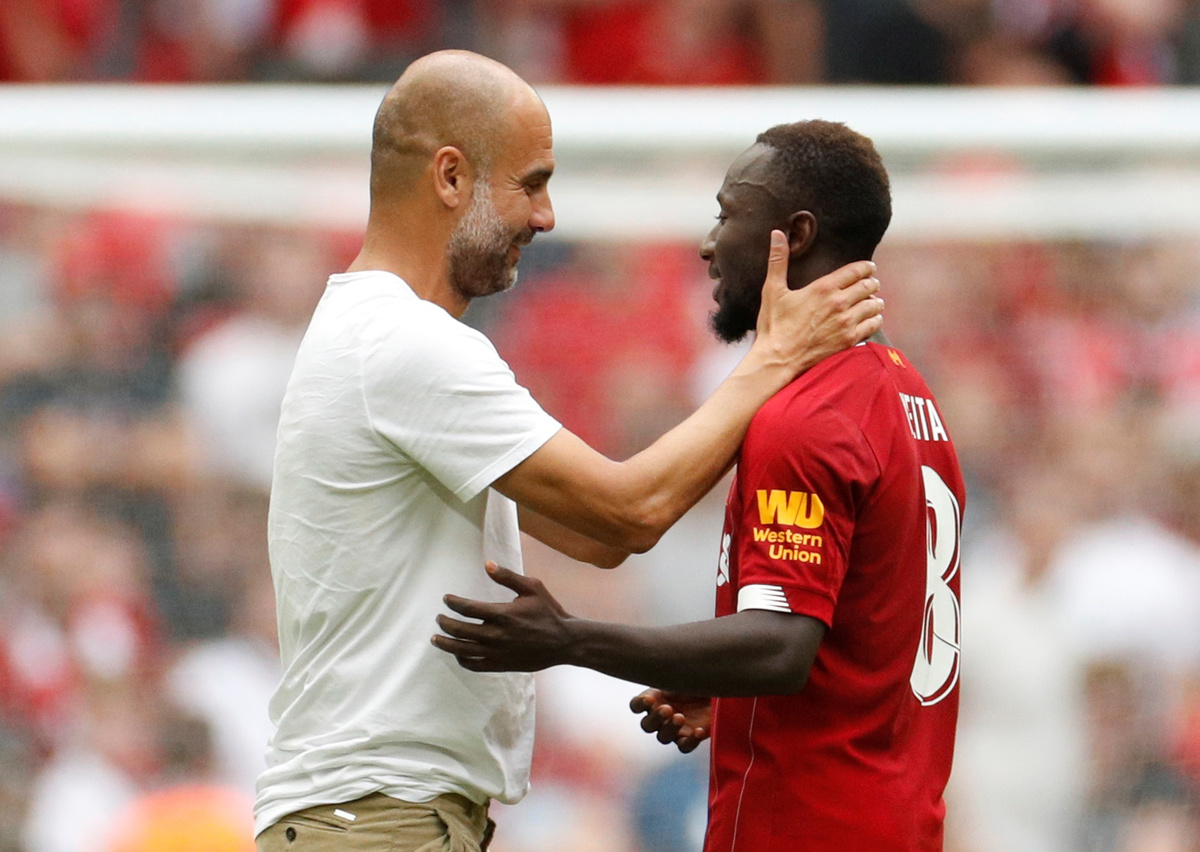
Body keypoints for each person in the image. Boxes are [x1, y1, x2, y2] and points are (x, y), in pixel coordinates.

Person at [254, 51, 884, 852]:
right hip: (374, 817)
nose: (547, 216)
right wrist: (774, 357)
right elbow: (629, 513)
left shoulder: (377, 333)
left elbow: (597, 538)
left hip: (383, 814)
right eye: (532, 183)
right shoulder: (400, 341)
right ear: (450, 177)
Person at [433, 119, 965, 851]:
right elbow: (865, 636)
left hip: (805, 831)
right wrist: (738, 702)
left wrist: (569, 638)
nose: (709, 245)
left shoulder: (806, 417)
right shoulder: (912, 400)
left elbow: (779, 648)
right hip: (896, 824)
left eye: (727, 215)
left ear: (794, 236)